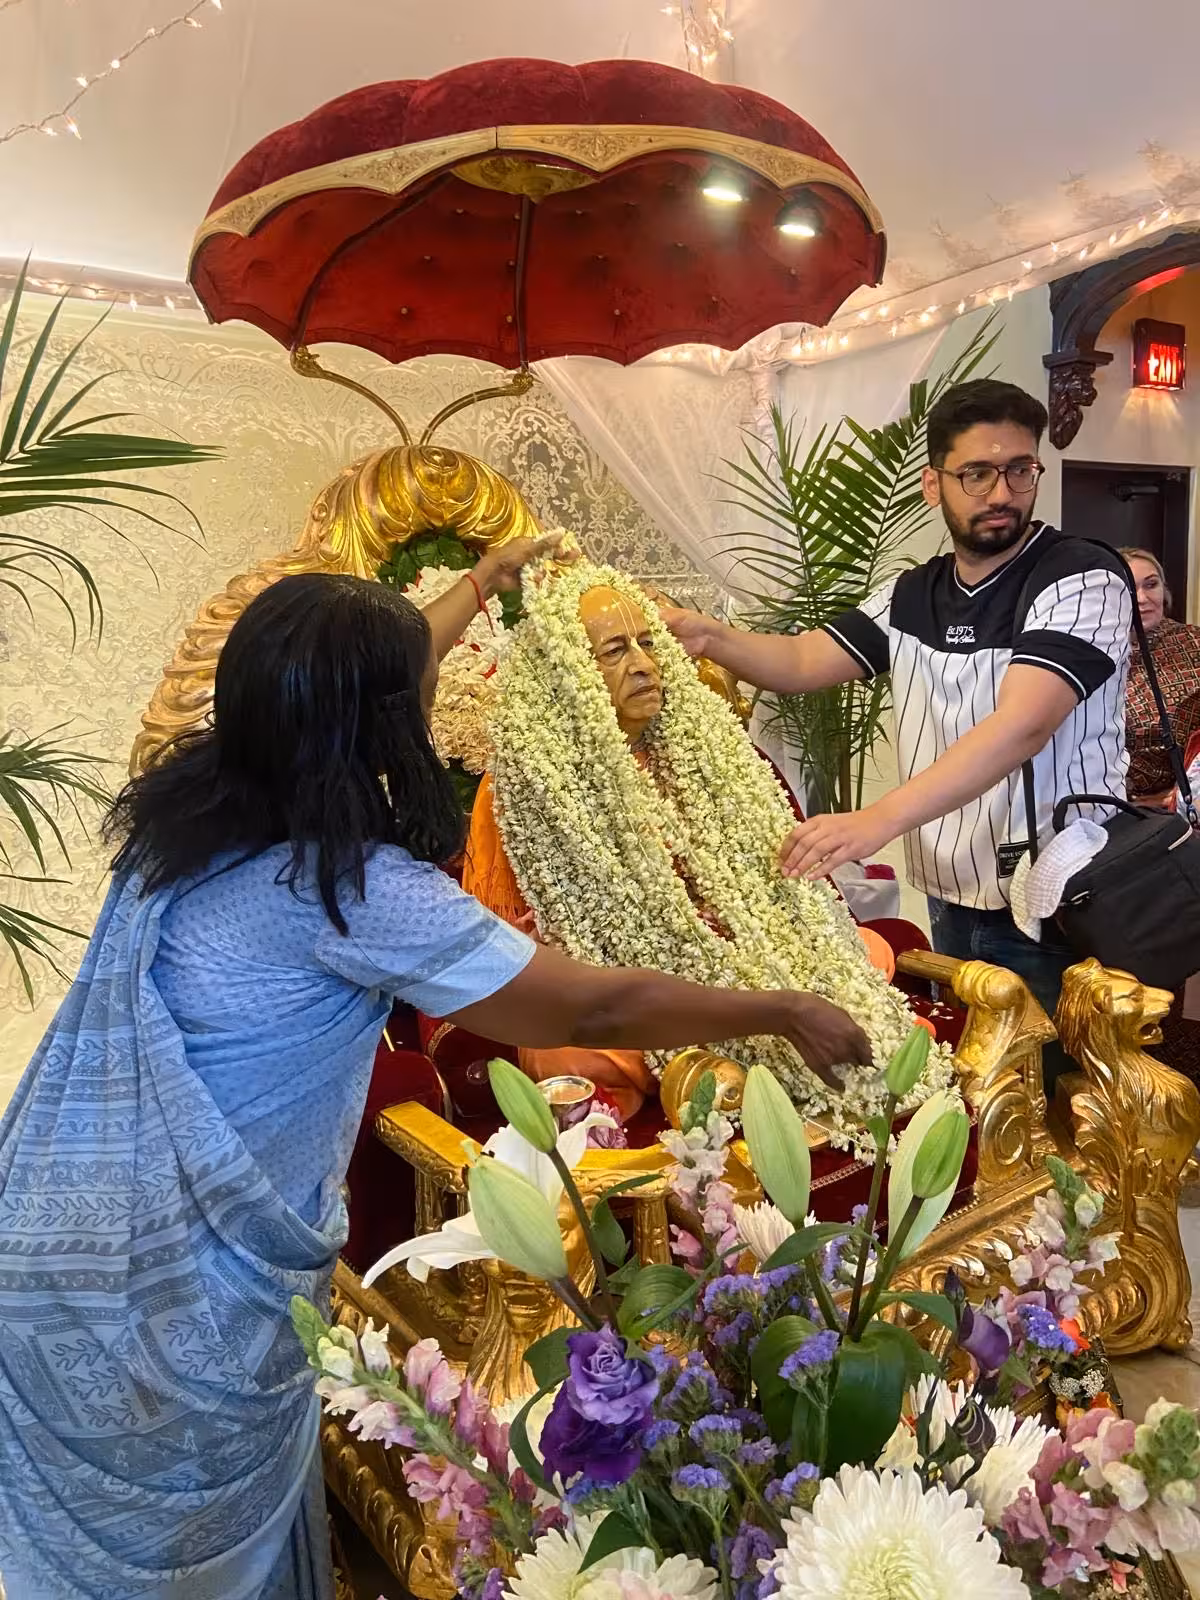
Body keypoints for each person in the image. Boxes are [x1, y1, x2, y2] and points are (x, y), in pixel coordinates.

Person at [0, 543, 871, 1600]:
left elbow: (374, 675)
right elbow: (592, 1003)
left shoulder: (185, 822)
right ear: (378, 722)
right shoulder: (351, 890)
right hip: (184, 1305)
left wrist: (484, 578)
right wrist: (780, 1010)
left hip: (70, 1246)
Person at [666, 379, 1133, 1065]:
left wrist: (873, 820)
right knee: (981, 1099)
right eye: (976, 472)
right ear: (931, 483)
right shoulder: (914, 594)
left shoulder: (1080, 577)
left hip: (1059, 904)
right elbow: (801, 659)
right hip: (948, 897)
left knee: (1059, 1099)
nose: (1000, 492)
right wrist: (711, 638)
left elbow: (1021, 727)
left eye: (1019, 469)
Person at [464, 561, 942, 1135]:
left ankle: (736, 1071)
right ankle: (705, 1075)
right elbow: (504, 940)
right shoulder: (523, 787)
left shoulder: (708, 754)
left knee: (858, 950)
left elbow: (771, 885)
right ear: (563, 675)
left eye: (647, 643)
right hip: (629, 984)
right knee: (567, 1052)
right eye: (615, 650)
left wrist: (749, 931)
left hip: (741, 947)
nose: (643, 664)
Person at [1120, 547, 1200, 807]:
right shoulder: (1090, 651)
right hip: (1100, 808)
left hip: (1176, 814)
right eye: (1129, 588)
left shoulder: (1194, 645)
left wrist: (1187, 794)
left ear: (1164, 591)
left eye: (1151, 585)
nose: (1142, 598)